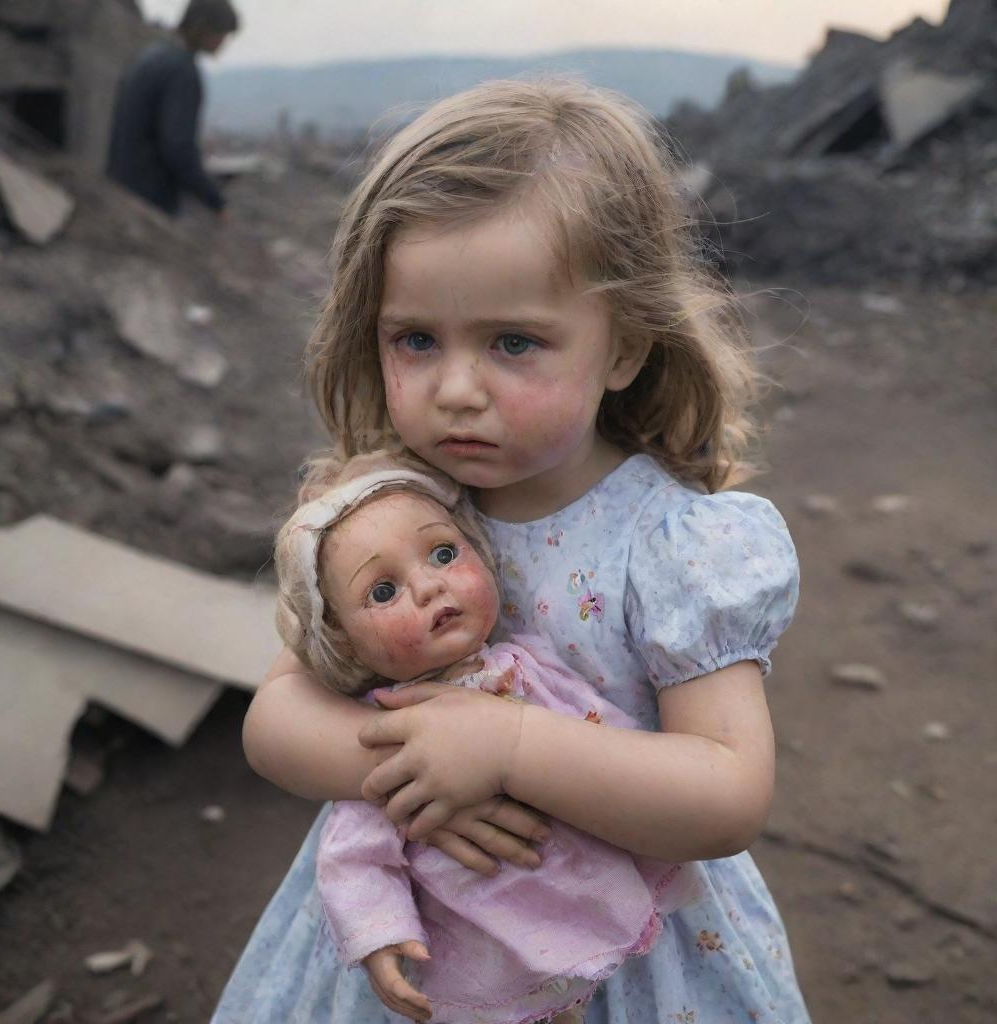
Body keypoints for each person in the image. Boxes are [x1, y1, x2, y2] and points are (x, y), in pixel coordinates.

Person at [214, 78, 810, 1023]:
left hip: (622, 953)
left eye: (514, 343)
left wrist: (511, 746)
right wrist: (419, 768)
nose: (456, 389)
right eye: (416, 339)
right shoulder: (392, 513)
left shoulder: (672, 547)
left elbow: (729, 792)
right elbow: (275, 722)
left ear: (625, 347)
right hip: (420, 940)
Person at [273, 448, 701, 1024]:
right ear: (344, 641)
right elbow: (354, 853)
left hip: (585, 889)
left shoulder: (526, 666)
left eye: (444, 554)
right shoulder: (388, 727)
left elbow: (603, 729)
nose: (427, 587)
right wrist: (379, 935)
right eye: (382, 591)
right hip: (485, 937)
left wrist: (648, 811)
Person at [106, 0, 239, 217]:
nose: (222, 43)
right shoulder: (180, 69)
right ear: (201, 27)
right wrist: (214, 200)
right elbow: (178, 147)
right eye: (220, 34)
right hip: (148, 199)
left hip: (123, 191)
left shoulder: (153, 56)